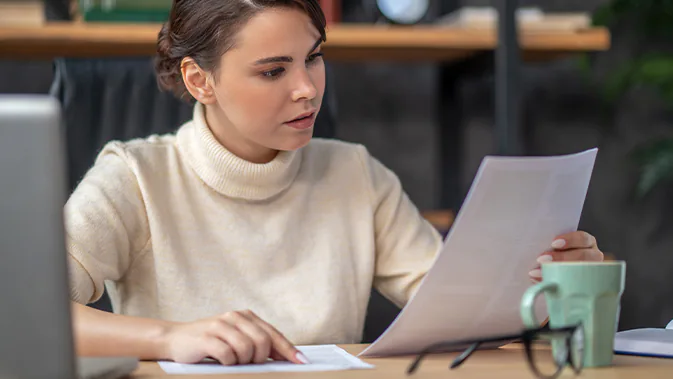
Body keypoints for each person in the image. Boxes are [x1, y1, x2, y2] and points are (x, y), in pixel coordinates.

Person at [65, 0, 605, 367]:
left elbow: (463, 314)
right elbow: (18, 313)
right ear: (199, 80)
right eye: (274, 71)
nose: (307, 88)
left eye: (314, 58)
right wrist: (169, 337)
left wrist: (557, 290)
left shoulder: (355, 174)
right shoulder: (135, 177)